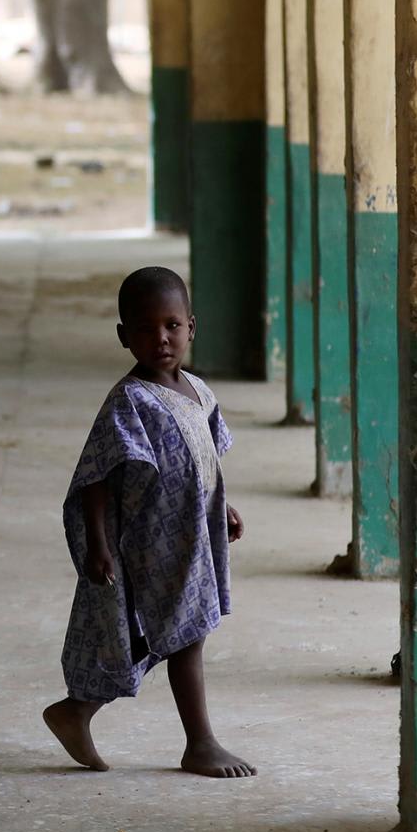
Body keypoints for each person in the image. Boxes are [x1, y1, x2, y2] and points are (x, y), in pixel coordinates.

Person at [41, 266, 255, 779]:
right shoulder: (130, 401)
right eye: (144, 328)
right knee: (184, 634)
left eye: (172, 325)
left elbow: (204, 454)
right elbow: (97, 475)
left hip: (191, 532)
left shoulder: (199, 391)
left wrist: (219, 505)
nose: (160, 338)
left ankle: (78, 709)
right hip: (148, 539)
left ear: (191, 327)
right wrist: (97, 544)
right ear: (123, 336)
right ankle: (199, 743)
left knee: (170, 632)